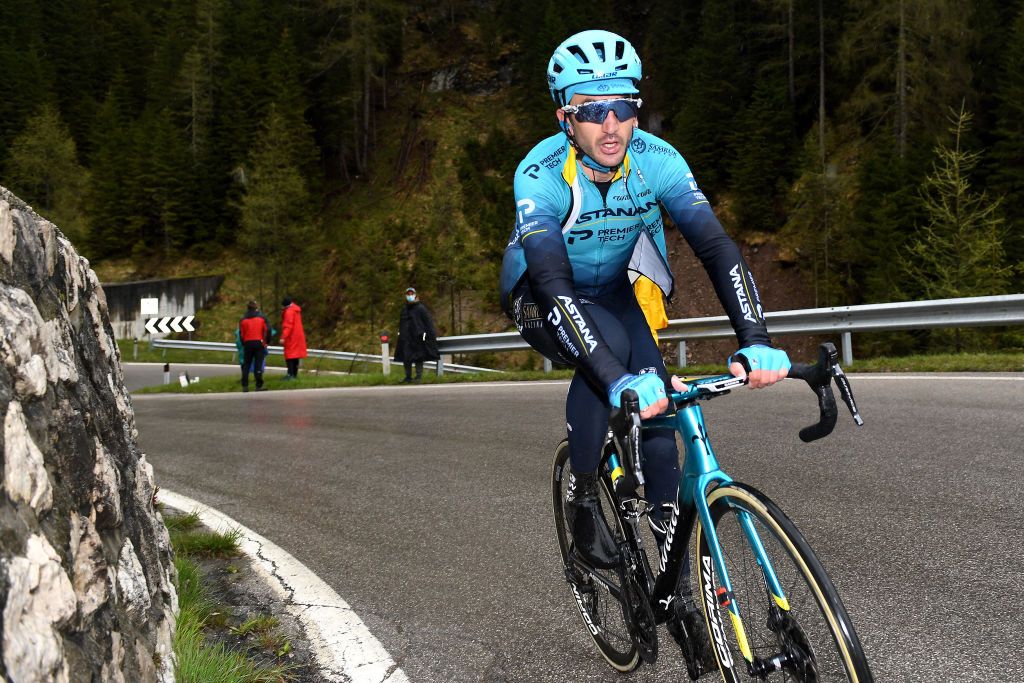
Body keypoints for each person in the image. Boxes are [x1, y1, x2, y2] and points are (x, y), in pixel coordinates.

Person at [498, 29, 790, 669]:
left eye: (623, 107)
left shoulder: (657, 158)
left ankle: (670, 557)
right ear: (564, 116)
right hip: (546, 294)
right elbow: (551, 282)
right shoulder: (540, 174)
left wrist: (757, 340)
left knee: (663, 415)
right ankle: (581, 499)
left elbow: (715, 248)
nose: (611, 125)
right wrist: (615, 377)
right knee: (612, 368)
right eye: (592, 110)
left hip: (615, 289)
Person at [394, 287, 439, 383]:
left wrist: (428, 335)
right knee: (406, 358)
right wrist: (401, 335)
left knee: (418, 357)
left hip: (418, 337)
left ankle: (418, 377)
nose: (410, 296)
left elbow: (428, 323)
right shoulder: (404, 309)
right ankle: (408, 377)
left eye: (411, 294)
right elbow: (401, 324)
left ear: (415, 295)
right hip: (406, 338)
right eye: (408, 294)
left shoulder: (421, 308)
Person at [238, 301, 271, 392]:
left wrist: (244, 343)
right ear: (256, 308)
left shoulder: (243, 319)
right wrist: (266, 341)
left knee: (246, 364)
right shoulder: (262, 318)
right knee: (258, 364)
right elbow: (268, 330)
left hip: (248, 343)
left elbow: (241, 333)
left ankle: (245, 385)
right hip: (258, 342)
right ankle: (258, 385)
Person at [280, 297, 307, 380]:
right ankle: (294, 374)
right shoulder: (296, 310)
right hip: (298, 336)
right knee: (296, 356)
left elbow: (288, 325)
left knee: (290, 355)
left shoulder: (289, 312)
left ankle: (290, 375)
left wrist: (283, 337)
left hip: (291, 336)